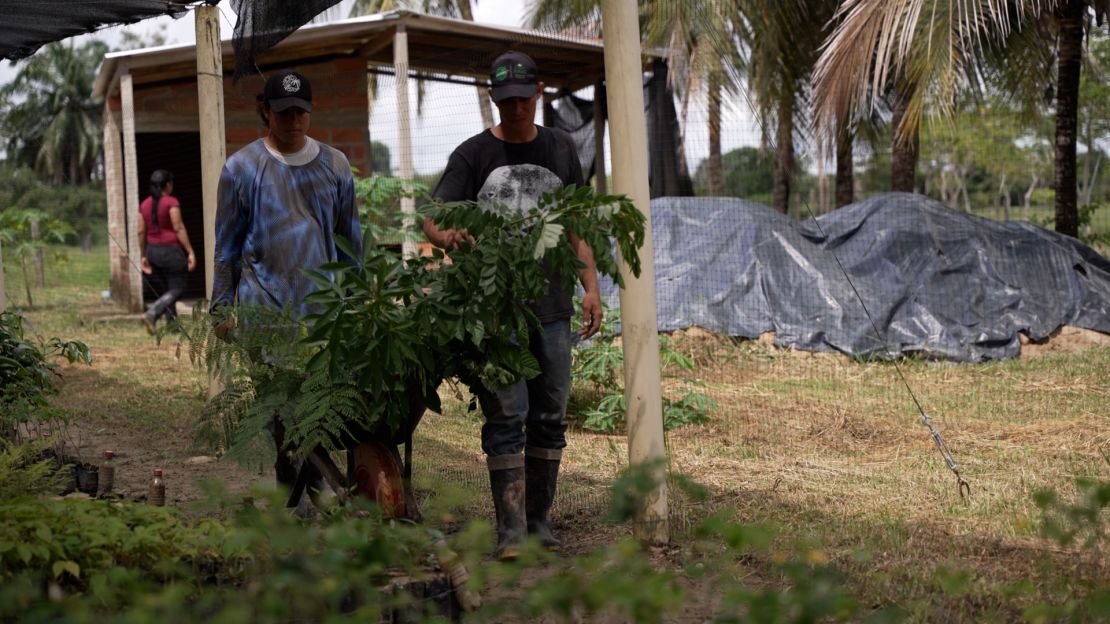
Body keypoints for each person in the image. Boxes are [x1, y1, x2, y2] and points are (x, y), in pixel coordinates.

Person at [424, 51, 602, 559]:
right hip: (495, 313)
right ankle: (510, 530)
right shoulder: (471, 155)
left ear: (538, 93)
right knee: (507, 415)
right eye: (506, 101)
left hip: (553, 309)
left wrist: (589, 287)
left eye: (524, 99)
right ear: (493, 98)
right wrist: (451, 235)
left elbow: (577, 225)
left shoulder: (562, 148)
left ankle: (539, 522)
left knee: (549, 414)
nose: (516, 108)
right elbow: (433, 218)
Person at [211, 69, 363, 491]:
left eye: (301, 111)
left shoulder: (335, 164)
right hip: (265, 308)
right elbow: (226, 245)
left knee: (320, 404)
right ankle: (292, 491)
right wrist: (221, 307)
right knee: (278, 409)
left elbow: (351, 239)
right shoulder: (241, 168)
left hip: (323, 310)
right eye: (284, 111)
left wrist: (359, 298)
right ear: (266, 111)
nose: (293, 119)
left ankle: (311, 490)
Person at [139, 169, 196, 333]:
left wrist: (143, 255)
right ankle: (152, 313)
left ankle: (172, 326)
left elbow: (141, 231)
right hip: (170, 251)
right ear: (168, 185)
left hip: (153, 252)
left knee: (167, 289)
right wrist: (190, 251)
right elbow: (178, 228)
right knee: (178, 288)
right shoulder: (171, 202)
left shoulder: (144, 205)